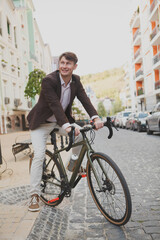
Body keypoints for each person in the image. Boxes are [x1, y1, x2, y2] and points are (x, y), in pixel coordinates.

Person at [27, 52, 103, 212]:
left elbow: (85, 99)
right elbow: (54, 104)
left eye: (68, 64)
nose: (64, 66)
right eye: (62, 62)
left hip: (60, 122)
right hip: (41, 123)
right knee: (39, 155)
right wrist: (68, 126)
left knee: (80, 133)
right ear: (58, 64)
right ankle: (34, 194)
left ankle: (72, 163)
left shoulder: (76, 80)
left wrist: (95, 117)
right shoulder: (49, 80)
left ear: (75, 66)